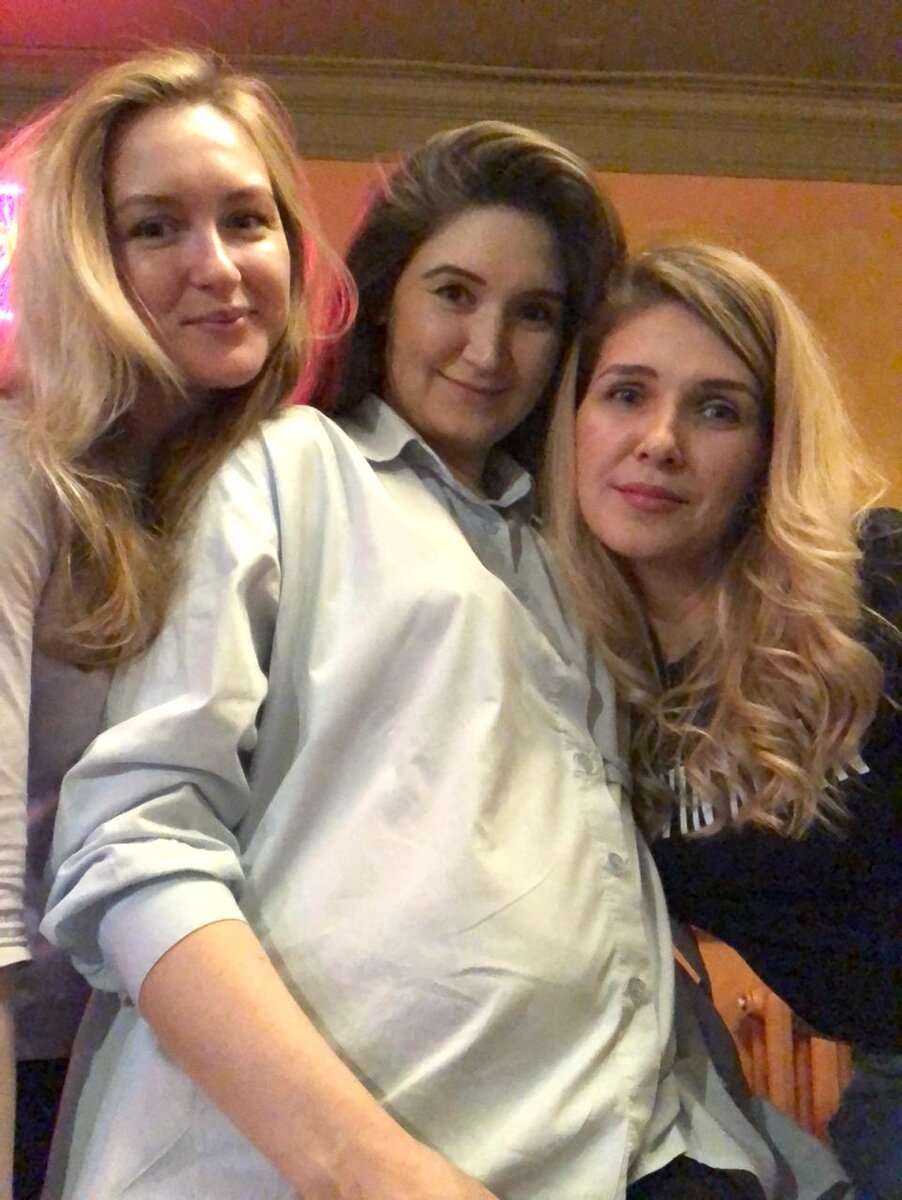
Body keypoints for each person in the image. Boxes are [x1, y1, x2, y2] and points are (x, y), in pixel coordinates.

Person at [40, 123, 800, 1199]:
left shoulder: (572, 550)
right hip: (300, 1160)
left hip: (618, 1148)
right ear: (386, 299)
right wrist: (360, 1164)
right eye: (453, 294)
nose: (487, 351)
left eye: (534, 314)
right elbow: (134, 839)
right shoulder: (290, 472)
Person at [0, 45, 339, 1199]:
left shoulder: (271, 484)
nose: (218, 267)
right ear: (86, 258)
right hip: (33, 1052)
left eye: (246, 220)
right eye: (155, 228)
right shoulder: (21, 472)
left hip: (181, 1053)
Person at [546, 240, 899, 1198]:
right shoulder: (572, 674)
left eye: (716, 409)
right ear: (571, 421)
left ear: (769, 445)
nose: (661, 439)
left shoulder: (878, 588)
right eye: (626, 393)